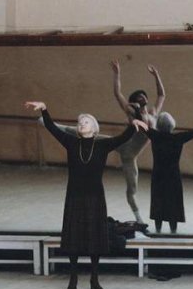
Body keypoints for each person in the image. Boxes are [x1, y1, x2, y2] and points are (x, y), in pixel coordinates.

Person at [26, 101, 147, 289]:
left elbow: (122, 138)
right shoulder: (71, 142)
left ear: (94, 127)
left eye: (87, 122)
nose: (82, 124)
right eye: (80, 122)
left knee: (94, 238)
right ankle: (73, 277)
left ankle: (94, 278)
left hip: (95, 196)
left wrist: (134, 124)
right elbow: (51, 128)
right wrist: (44, 109)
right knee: (74, 237)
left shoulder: (103, 145)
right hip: (74, 195)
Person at [41, 61, 165, 224]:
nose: (142, 97)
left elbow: (162, 95)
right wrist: (117, 74)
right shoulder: (131, 112)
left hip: (130, 157)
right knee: (91, 135)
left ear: (146, 100)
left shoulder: (154, 113)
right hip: (122, 143)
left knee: (131, 190)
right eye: (138, 96)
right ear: (134, 101)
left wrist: (156, 75)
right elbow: (117, 94)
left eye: (143, 96)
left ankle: (138, 218)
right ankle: (51, 124)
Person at [145, 112, 193, 233]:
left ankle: (158, 230)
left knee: (158, 200)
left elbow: (143, 126)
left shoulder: (154, 136)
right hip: (173, 175)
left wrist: (137, 112)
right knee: (173, 201)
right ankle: (173, 230)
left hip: (158, 175)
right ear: (171, 125)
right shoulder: (178, 138)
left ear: (158, 125)